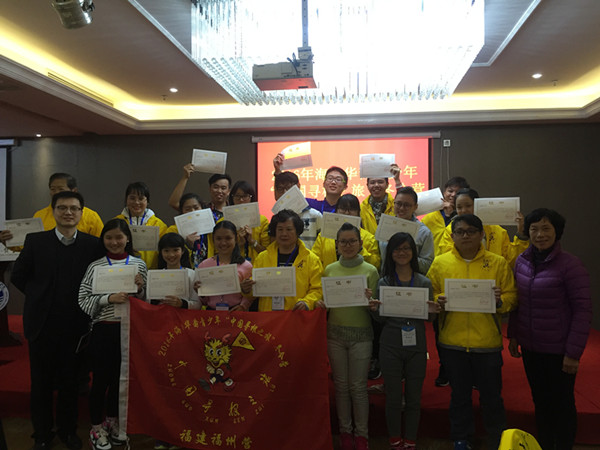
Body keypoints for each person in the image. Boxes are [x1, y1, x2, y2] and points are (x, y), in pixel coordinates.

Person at [11, 191, 99, 450]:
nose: (68, 212)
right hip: (42, 325)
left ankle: (68, 431)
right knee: (41, 384)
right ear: (54, 211)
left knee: (70, 383)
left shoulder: (92, 245)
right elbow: (18, 276)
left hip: (76, 326)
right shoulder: (35, 241)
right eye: (62, 208)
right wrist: (39, 296)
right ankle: (41, 434)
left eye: (74, 208)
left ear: (81, 212)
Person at [426, 214, 517, 450]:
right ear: (453, 236)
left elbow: (512, 296)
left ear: (481, 234)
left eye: (471, 231)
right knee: (459, 396)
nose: (465, 236)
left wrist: (500, 301)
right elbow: (430, 293)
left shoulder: (497, 262)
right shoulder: (441, 262)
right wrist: (439, 299)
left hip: (487, 343)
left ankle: (498, 440)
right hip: (452, 342)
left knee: (492, 397)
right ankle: (461, 439)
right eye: (460, 232)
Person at [508, 208, 592, 450]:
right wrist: (514, 335)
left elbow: (583, 311)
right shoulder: (522, 261)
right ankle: (544, 444)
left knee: (562, 403)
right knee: (540, 401)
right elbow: (518, 302)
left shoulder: (570, 265)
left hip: (559, 349)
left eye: (546, 229)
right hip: (531, 347)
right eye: (534, 229)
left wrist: (573, 353)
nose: (540, 234)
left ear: (557, 232)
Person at [78, 219, 147, 450]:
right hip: (103, 330)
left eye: (119, 237)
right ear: (103, 240)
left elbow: (147, 301)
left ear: (127, 239)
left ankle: (113, 422)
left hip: (129, 330)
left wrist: (140, 289)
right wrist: (108, 298)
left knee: (121, 380)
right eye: (109, 237)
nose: (114, 242)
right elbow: (83, 299)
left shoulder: (139, 264)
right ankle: (96, 428)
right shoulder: (95, 266)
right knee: (100, 381)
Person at [317, 223, 380, 450]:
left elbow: (377, 310)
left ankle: (362, 435)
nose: (348, 245)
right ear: (337, 245)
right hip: (335, 335)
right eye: (343, 242)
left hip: (361, 335)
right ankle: (345, 432)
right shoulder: (329, 270)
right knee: (341, 386)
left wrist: (372, 303)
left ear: (360, 243)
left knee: (358, 387)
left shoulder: (370, 271)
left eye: (352, 241)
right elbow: (326, 303)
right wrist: (322, 304)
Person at [375, 232, 438, 450]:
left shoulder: (424, 282)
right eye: (397, 249)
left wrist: (433, 311)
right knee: (393, 397)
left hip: (416, 345)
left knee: (413, 397)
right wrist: (373, 309)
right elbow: (380, 319)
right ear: (390, 253)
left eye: (406, 248)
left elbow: (429, 319)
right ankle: (394, 438)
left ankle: (410, 439)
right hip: (390, 345)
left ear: (413, 252)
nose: (402, 253)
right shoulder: (384, 282)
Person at [438, 188, 528, 268]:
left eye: (468, 206)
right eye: (459, 207)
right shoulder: (451, 231)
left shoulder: (496, 231)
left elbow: (511, 260)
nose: (464, 210)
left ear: (478, 205)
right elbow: (448, 260)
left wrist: (521, 236)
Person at [253, 209, 323, 311]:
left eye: (289, 229)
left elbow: (317, 289)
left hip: (297, 315)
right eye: (280, 229)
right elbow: (253, 288)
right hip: (268, 316)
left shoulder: (311, 259)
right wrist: (246, 289)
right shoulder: (262, 258)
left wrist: (307, 302)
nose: (284, 234)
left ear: (298, 232)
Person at [15, 172, 103, 238]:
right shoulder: (40, 215)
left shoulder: (91, 216)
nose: (56, 193)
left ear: (74, 191)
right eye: (53, 189)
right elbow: (28, 243)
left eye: (61, 189)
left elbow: (100, 244)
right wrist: (10, 240)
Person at [312, 194, 381, 270]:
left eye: (352, 209)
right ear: (336, 211)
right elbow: (314, 261)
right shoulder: (324, 236)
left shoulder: (369, 238)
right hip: (331, 276)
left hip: (358, 276)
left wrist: (360, 250)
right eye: (343, 209)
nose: (347, 213)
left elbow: (376, 264)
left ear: (358, 212)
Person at [196, 221, 254, 311]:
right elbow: (204, 301)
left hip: (236, 312)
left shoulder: (246, 266)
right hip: (212, 313)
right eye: (218, 239)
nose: (223, 243)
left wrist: (243, 306)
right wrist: (200, 293)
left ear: (236, 239)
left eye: (228, 238)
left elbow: (251, 293)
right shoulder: (204, 266)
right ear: (213, 240)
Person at [380, 186, 434, 274]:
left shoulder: (424, 232)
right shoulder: (385, 225)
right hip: (387, 278)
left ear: (415, 207)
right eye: (398, 204)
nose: (401, 208)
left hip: (413, 280)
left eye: (407, 205)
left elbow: (428, 265)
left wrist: (407, 255)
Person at [115, 181, 167, 269]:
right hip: (122, 270)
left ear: (147, 201)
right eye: (132, 198)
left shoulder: (158, 225)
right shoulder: (117, 222)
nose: (136, 202)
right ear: (126, 200)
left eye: (141, 198)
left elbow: (165, 250)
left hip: (151, 270)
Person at [273, 155, 349, 214]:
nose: (333, 182)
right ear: (323, 183)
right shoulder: (309, 204)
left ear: (345, 186)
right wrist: (278, 171)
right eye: (330, 178)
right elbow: (283, 200)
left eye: (338, 179)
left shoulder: (348, 210)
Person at [273, 171, 322, 250]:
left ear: (298, 187)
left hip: (309, 257)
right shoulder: (277, 218)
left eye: (289, 188)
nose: (285, 193)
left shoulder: (315, 215)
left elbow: (323, 244)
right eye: (280, 189)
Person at [421, 176, 470, 255]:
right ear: (444, 193)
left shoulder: (467, 218)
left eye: (457, 192)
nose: (453, 195)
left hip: (455, 260)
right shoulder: (430, 217)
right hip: (432, 261)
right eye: (450, 191)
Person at [228, 180, 270, 263]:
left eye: (245, 196)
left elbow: (268, 252)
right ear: (232, 198)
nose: (241, 200)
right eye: (237, 196)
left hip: (257, 266)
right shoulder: (225, 221)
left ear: (251, 198)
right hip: (233, 266)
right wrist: (238, 244)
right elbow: (220, 253)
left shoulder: (262, 221)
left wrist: (252, 241)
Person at [165, 192, 211, 268]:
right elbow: (169, 254)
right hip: (184, 270)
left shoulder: (211, 228)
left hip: (208, 269)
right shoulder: (173, 230)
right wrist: (187, 244)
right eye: (187, 209)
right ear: (181, 211)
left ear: (202, 208)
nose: (192, 211)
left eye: (196, 208)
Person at [155, 232, 199, 309]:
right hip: (162, 315)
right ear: (161, 252)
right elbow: (147, 302)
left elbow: (198, 304)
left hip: (184, 316)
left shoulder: (191, 274)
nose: (171, 255)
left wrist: (182, 304)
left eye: (175, 250)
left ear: (182, 251)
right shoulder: (156, 276)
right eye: (166, 251)